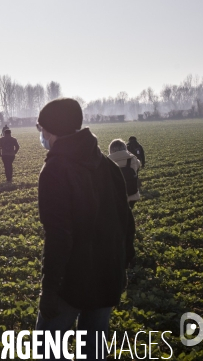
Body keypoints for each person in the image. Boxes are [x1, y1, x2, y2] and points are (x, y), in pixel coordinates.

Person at [35, 98, 135, 360]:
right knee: (93, 351)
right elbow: (126, 222)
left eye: (41, 129)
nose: (41, 135)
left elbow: (59, 236)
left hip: (71, 282)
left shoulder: (54, 170)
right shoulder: (108, 166)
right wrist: (122, 266)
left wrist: (50, 288)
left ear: (52, 129)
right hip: (107, 277)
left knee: (47, 347)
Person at [108, 139, 141, 209]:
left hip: (115, 198)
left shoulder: (106, 162)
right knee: (129, 213)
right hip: (132, 195)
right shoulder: (133, 159)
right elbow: (138, 165)